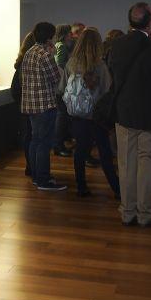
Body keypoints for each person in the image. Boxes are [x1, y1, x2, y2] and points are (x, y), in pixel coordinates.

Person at [108, 3, 151, 227]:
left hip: (125, 112)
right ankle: (145, 212)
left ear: (129, 21)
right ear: (150, 22)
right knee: (147, 164)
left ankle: (127, 211)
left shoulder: (116, 46)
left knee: (126, 163)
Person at [64, 27, 120, 198]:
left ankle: (81, 186)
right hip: (97, 115)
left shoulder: (71, 64)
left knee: (80, 150)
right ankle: (116, 188)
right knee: (104, 152)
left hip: (78, 114)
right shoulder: (100, 66)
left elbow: (64, 88)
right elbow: (107, 91)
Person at [21, 22, 67, 191]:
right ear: (49, 37)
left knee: (35, 141)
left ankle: (36, 176)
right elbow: (57, 78)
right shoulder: (45, 54)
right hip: (45, 104)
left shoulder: (29, 52)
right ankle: (43, 179)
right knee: (44, 143)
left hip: (30, 104)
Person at [11, 31, 36, 176]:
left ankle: (31, 165)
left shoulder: (21, 63)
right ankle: (32, 166)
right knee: (31, 135)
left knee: (29, 135)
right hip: (28, 105)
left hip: (23, 104)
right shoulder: (27, 63)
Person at [53, 24, 74, 157]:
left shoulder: (61, 46)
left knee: (62, 115)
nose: (71, 35)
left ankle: (59, 144)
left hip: (62, 85)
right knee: (61, 116)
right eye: (70, 33)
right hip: (62, 86)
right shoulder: (61, 46)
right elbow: (60, 65)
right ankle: (58, 145)